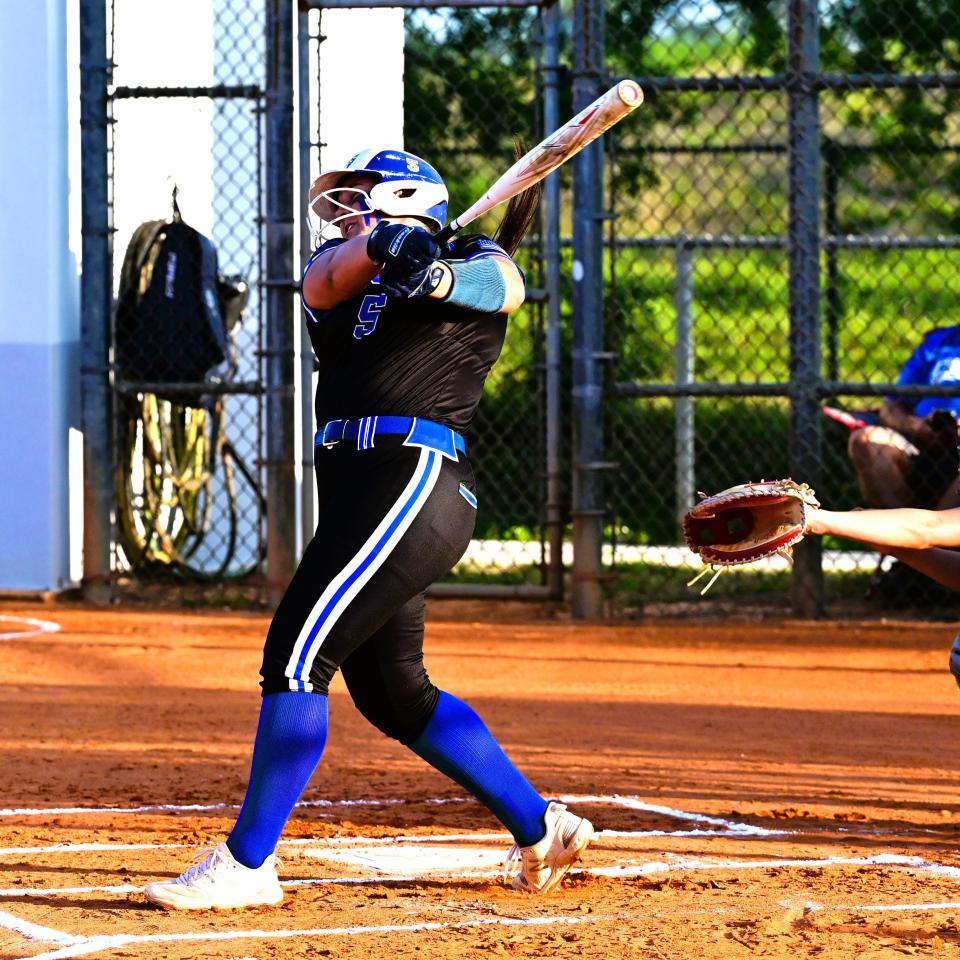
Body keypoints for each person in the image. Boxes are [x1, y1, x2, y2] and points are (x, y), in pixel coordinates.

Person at [143, 148, 593, 911]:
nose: (340, 214)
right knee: (393, 695)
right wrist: (391, 245)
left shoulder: (470, 256)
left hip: (413, 477)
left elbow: (506, 287)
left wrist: (439, 272)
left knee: (295, 659)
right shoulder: (340, 275)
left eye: (357, 199)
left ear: (404, 195)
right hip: (356, 493)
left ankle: (247, 863)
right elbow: (327, 278)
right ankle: (539, 824)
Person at [846, 327, 960, 512]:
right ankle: (898, 532)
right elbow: (891, 407)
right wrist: (916, 426)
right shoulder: (940, 341)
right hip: (922, 441)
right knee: (866, 440)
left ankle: (934, 537)